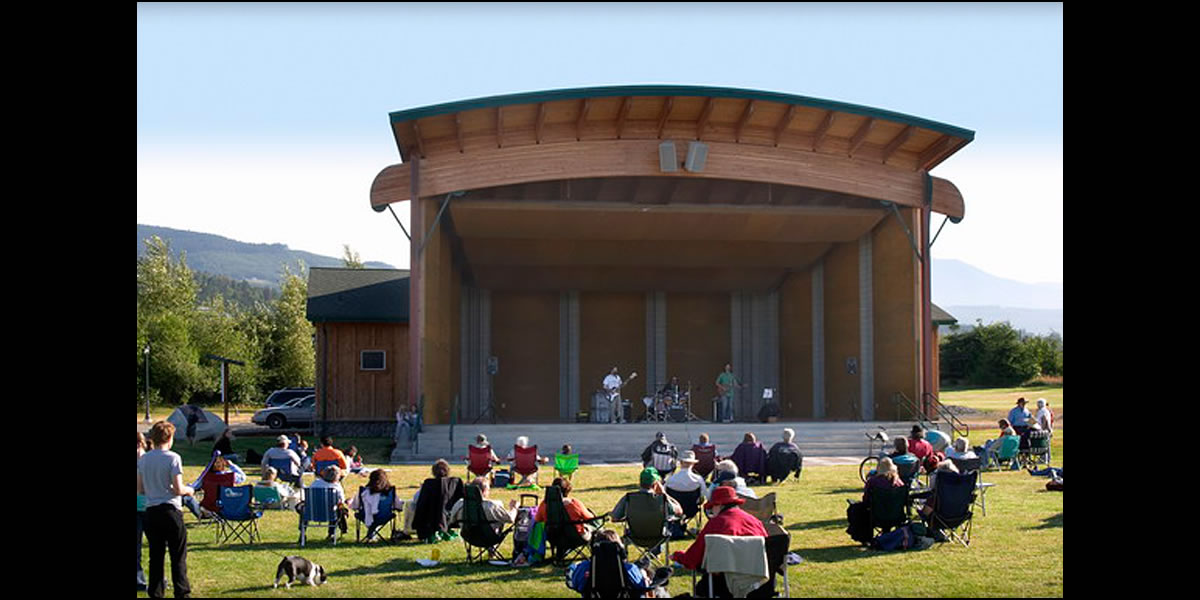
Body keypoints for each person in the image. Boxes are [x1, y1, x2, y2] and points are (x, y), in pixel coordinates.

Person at [669, 485, 769, 593]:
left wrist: (678, 556)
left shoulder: (716, 523)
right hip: (758, 581)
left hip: (723, 584)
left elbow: (693, 558)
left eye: (712, 507)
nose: (712, 511)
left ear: (718, 505)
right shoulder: (754, 521)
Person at [137, 421, 195, 598]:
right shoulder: (173, 458)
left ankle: (155, 593)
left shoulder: (144, 459)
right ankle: (181, 592)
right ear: (169, 438)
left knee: (156, 556)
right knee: (178, 556)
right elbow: (178, 489)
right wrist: (189, 490)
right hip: (170, 510)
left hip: (151, 511)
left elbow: (140, 488)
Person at [349, 469, 405, 541]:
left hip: (366, 516)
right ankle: (372, 533)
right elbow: (398, 506)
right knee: (387, 515)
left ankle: (371, 533)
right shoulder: (390, 491)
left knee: (360, 514)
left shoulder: (364, 492)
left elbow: (355, 506)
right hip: (384, 516)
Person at [611, 467, 684, 523]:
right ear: (656, 484)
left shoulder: (629, 498)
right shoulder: (661, 500)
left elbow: (614, 518)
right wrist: (664, 494)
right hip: (658, 536)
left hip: (635, 536)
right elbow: (679, 511)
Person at [450, 476, 518, 533]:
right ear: (484, 491)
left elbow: (452, 520)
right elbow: (510, 519)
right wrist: (514, 508)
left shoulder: (460, 504)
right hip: (489, 537)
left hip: (468, 535)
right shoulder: (492, 506)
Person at [310, 465, 348, 539]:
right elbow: (341, 501)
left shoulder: (315, 483)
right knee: (338, 509)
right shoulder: (336, 487)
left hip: (313, 512)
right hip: (330, 513)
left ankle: (302, 532)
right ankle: (334, 532)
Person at [137, 432, 150, 593]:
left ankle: (158, 578)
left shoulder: (147, 460)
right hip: (141, 506)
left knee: (156, 546)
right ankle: (139, 580)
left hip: (150, 506)